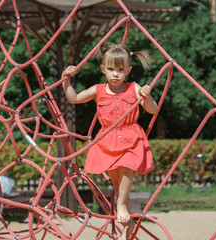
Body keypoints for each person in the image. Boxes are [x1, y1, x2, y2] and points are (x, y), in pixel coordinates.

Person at [61, 44, 158, 240]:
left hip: (131, 137)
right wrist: (66, 80)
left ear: (128, 71)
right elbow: (74, 98)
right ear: (103, 69)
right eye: (111, 69)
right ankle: (127, 227)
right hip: (108, 140)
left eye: (121, 70)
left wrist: (147, 96)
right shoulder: (98, 90)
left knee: (127, 167)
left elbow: (152, 110)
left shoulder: (134, 87)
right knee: (117, 182)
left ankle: (121, 205)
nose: (116, 74)